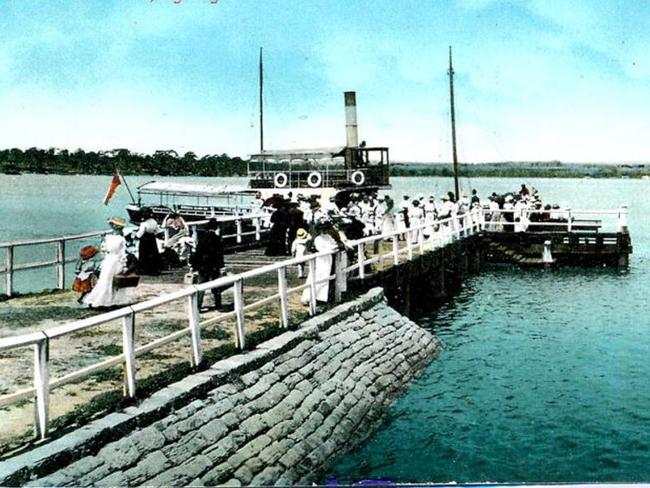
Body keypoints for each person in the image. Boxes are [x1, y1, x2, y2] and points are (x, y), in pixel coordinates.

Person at [83, 217, 131, 309]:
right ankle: (110, 299)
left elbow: (104, 250)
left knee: (105, 280)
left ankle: (102, 299)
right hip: (115, 260)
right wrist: (124, 265)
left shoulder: (108, 237)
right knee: (111, 280)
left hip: (109, 259)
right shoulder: (121, 239)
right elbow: (123, 253)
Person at [301, 221, 344, 306]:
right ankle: (310, 297)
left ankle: (321, 297)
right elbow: (322, 249)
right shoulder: (318, 239)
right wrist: (334, 248)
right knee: (318, 277)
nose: (324, 231)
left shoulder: (328, 237)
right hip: (321, 260)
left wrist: (336, 246)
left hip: (328, 259)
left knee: (325, 278)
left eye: (326, 229)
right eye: (323, 229)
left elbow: (334, 244)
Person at [189, 219, 225, 310]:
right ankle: (218, 304)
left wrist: (194, 266)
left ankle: (198, 306)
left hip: (203, 265)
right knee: (216, 286)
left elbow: (197, 252)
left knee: (201, 286)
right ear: (216, 227)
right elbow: (219, 254)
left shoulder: (202, 238)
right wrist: (221, 266)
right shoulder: (217, 239)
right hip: (214, 265)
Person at [136, 209, 162, 275]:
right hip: (152, 238)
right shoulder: (154, 221)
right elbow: (158, 231)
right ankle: (153, 269)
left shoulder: (144, 223)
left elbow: (140, 233)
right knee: (153, 253)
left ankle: (143, 269)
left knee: (143, 253)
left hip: (145, 239)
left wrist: (136, 236)